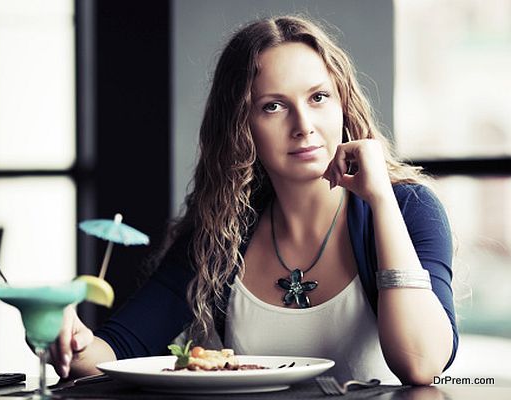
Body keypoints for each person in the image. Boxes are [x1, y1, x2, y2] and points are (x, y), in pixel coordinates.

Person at [48, 15, 457, 385]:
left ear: (343, 105)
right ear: (241, 126)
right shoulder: (219, 232)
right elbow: (114, 351)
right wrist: (68, 338)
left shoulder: (409, 208)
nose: (304, 126)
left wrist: (380, 198)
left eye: (318, 98)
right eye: (273, 106)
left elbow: (421, 365)